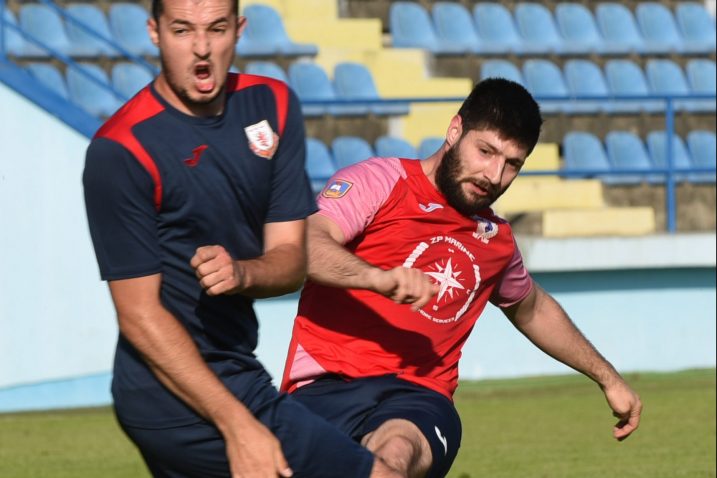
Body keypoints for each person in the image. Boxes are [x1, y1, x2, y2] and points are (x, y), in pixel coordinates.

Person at [82, 0, 404, 476]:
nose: (201, 49)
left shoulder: (271, 105)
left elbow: (291, 259)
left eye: (216, 29)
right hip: (168, 393)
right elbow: (138, 315)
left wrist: (241, 272)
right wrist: (239, 427)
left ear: (239, 29)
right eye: (181, 30)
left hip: (237, 371)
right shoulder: (121, 150)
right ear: (154, 32)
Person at [281, 78, 643, 478]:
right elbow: (306, 245)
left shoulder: (496, 241)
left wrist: (608, 378)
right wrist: (377, 278)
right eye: (486, 151)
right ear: (455, 131)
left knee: (393, 458)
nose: (494, 174)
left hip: (419, 398)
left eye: (512, 164)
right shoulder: (381, 182)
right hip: (323, 386)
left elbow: (533, 308)